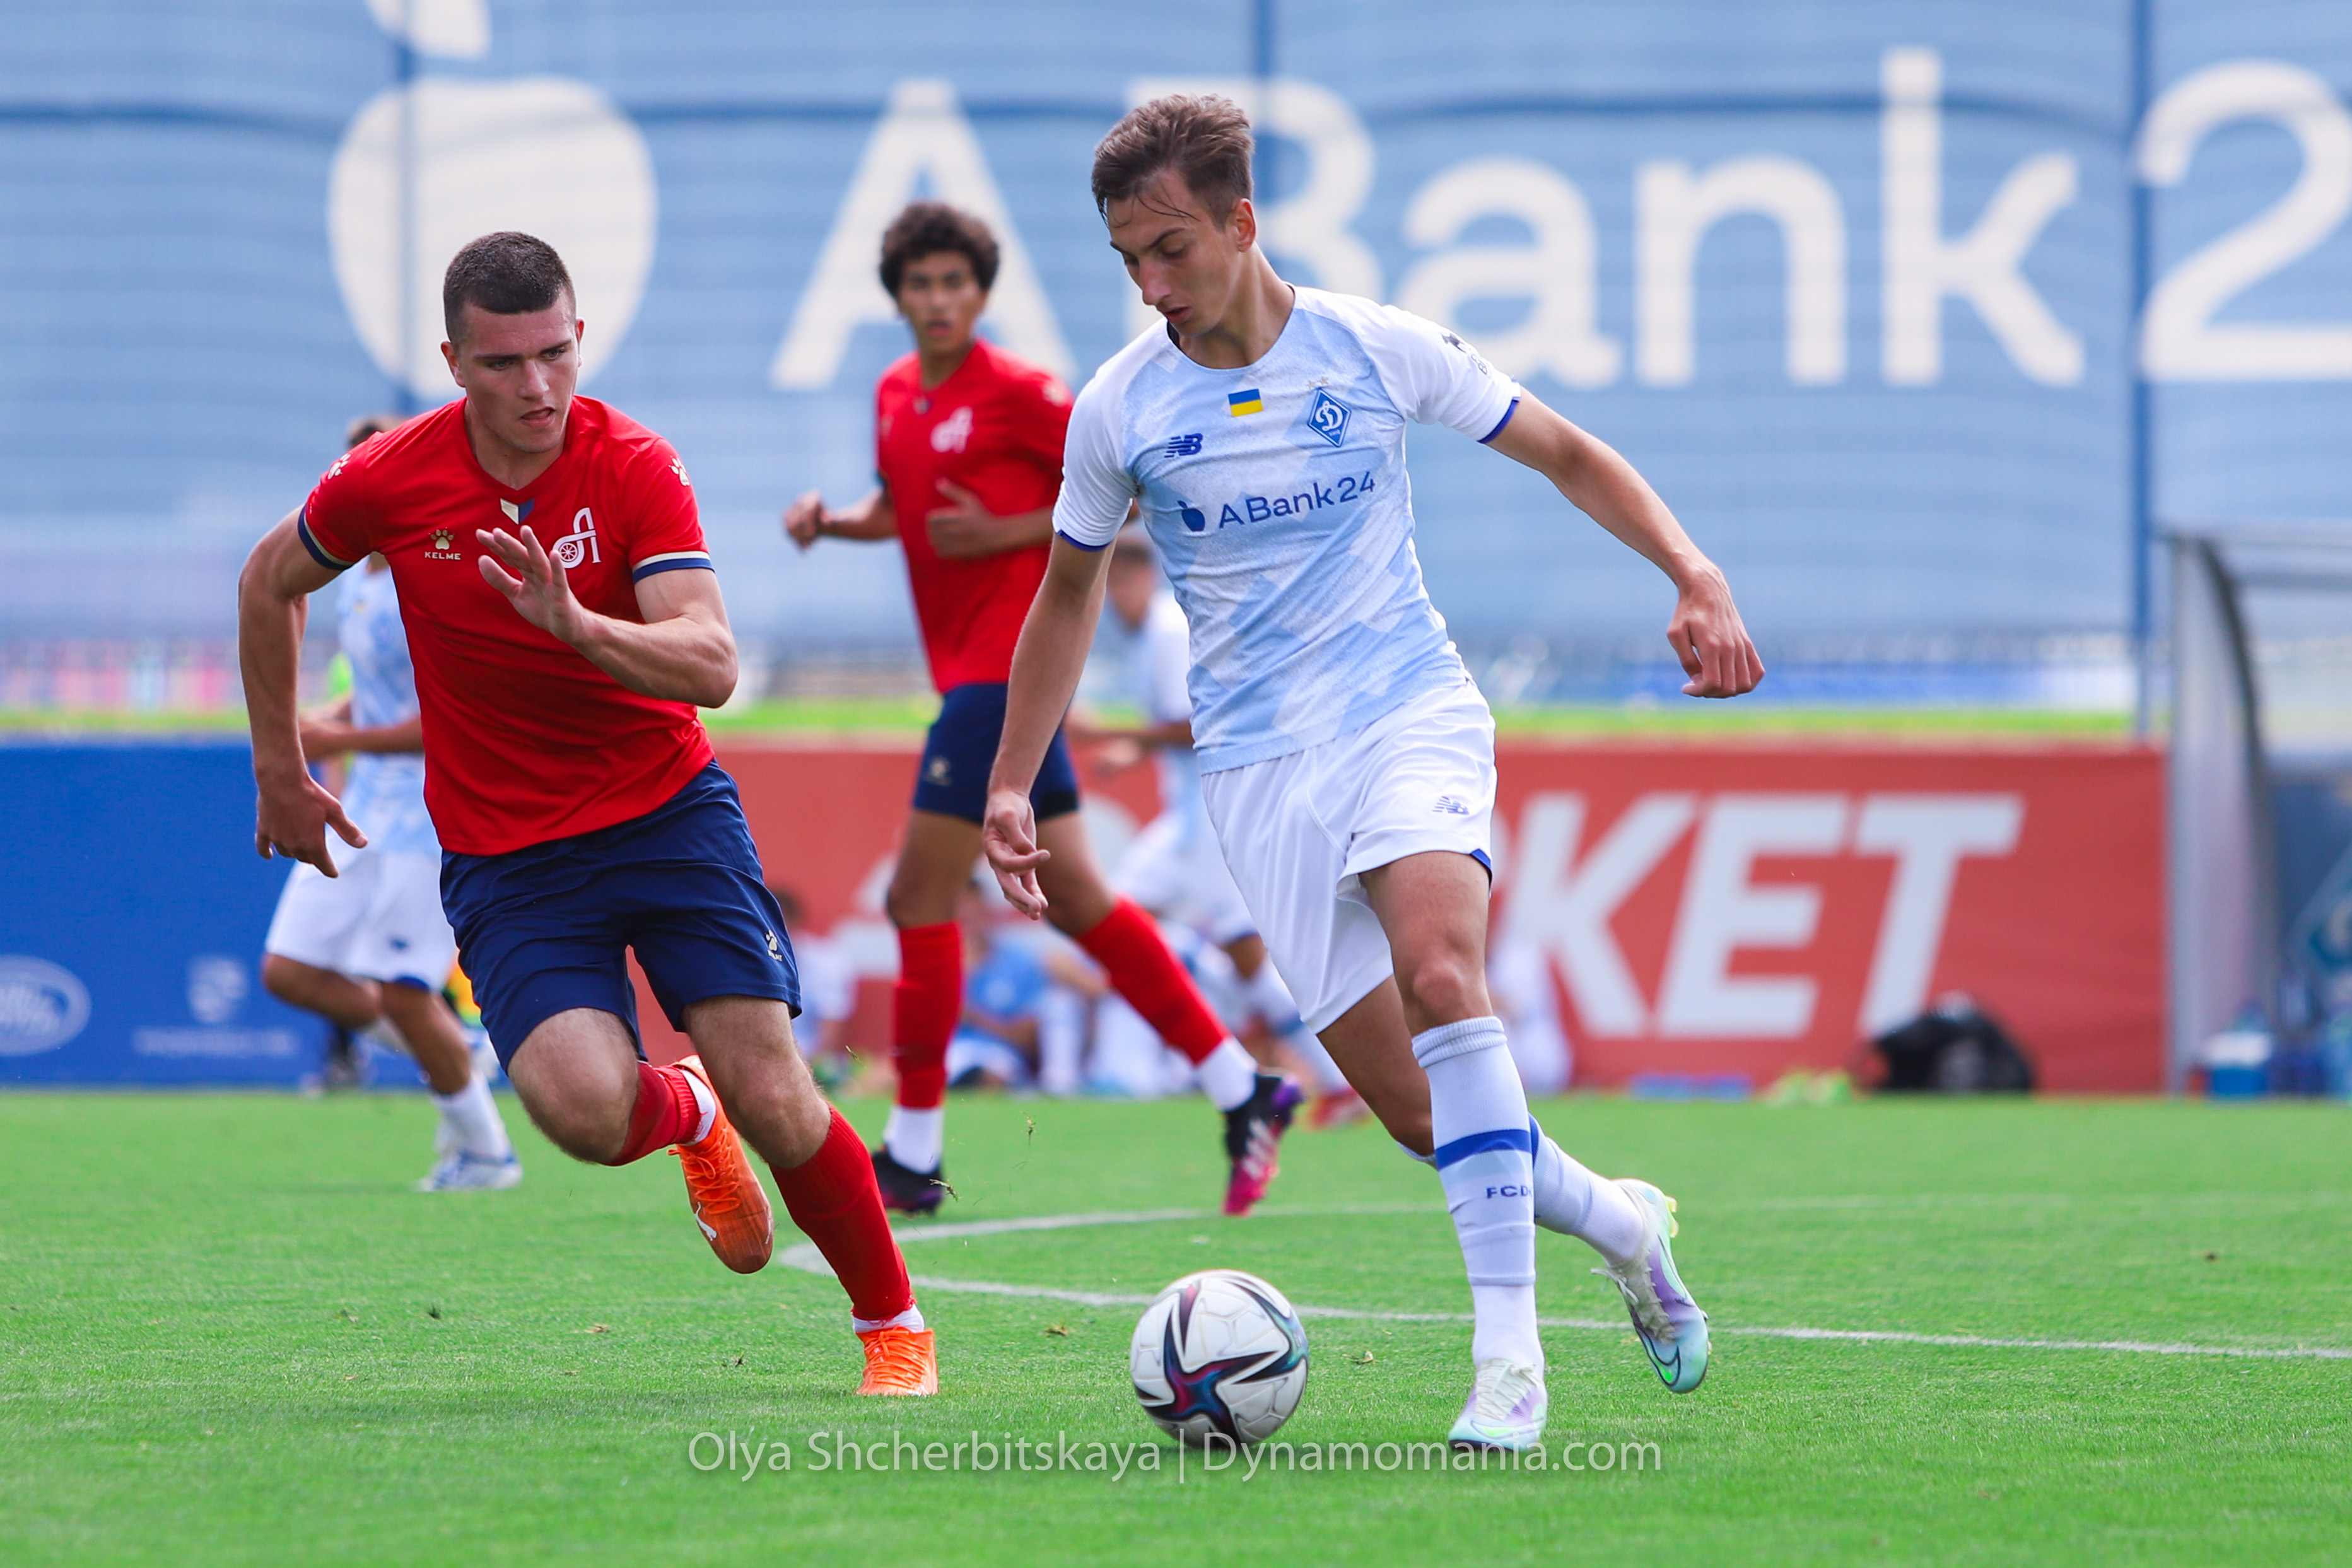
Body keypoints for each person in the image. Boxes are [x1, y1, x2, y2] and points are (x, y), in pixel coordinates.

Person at [981, 97, 1764, 1449]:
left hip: (1406, 710)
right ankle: (1624, 1225)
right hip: (1254, 770)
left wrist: (1691, 573)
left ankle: (1507, 1363)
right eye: (1126, 260)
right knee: (1416, 1113)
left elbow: (1566, 452)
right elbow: (1064, 596)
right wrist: (1010, 781)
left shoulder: (1371, 346)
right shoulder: (1119, 407)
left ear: (1240, 221)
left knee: (1444, 977)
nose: (1149, 284)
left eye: (1169, 248)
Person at [238, 231, 933, 1396]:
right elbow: (269, 583)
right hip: (509, 856)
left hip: (667, 816)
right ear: (453, 363)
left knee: (775, 1089)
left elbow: (712, 663)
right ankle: (688, 1110)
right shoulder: (391, 477)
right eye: (503, 363)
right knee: (580, 1115)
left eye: (555, 354)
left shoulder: (633, 464)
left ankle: (893, 1328)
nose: (538, 386)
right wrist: (279, 768)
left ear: (578, 337)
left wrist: (580, 628)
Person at [782, 201, 1298, 1219]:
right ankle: (1242, 1085)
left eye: (954, 282)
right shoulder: (895, 393)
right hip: (980, 685)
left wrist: (1005, 531)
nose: (938, 299)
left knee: (917, 899)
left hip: (1003, 675)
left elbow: (1128, 491)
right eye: (920, 284)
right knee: (1085, 903)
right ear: (897, 298)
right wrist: (833, 522)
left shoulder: (1020, 393)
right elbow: (904, 509)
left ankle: (913, 1152)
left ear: (980, 293)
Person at [262, 413, 520, 1190]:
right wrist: (325, 722)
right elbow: (377, 693)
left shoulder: (428, 577)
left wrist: (338, 737)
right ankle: (457, 1048)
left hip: (428, 815)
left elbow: (448, 719)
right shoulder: (356, 579)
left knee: (404, 991)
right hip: (364, 808)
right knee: (290, 970)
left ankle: (488, 1154)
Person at [1075, 527, 1360, 1120]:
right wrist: (1132, 748)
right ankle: (1134, 1069)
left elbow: (1196, 726)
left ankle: (1339, 1080)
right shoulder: (1148, 637)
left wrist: (1113, 734)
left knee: (1242, 956)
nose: (1113, 597)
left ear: (1143, 578)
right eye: (1107, 585)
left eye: (1121, 581)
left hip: (1210, 822)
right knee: (1109, 922)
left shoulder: (1165, 631)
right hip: (1185, 824)